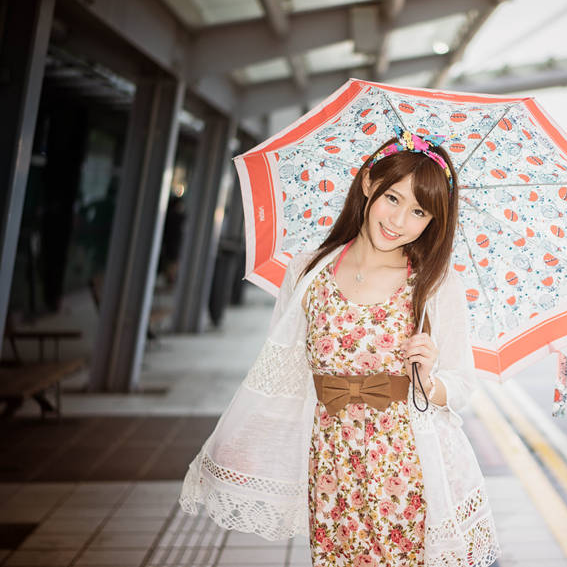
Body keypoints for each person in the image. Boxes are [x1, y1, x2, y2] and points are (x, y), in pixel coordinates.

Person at [179, 129, 500, 567]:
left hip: (405, 466)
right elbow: (283, 371)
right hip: (331, 462)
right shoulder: (307, 270)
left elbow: (462, 384)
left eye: (419, 210)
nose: (399, 220)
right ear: (369, 184)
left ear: (432, 222)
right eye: (392, 198)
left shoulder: (434, 284)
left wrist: (428, 382)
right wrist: (243, 439)